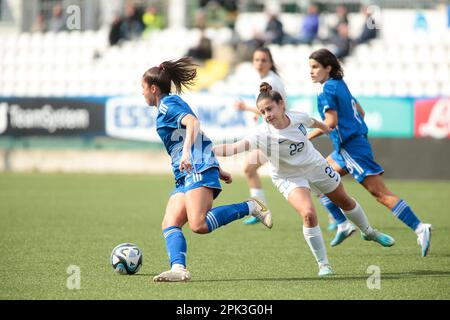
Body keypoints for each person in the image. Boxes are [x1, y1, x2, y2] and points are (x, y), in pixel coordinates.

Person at [214, 83, 395, 276]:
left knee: (344, 201)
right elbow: (234, 148)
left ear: (281, 104)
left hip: (315, 165)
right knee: (308, 214)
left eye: (269, 108)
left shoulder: (298, 117)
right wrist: (207, 150)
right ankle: (323, 264)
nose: (266, 115)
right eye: (262, 111)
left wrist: (326, 128)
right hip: (288, 176)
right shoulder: (261, 134)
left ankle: (368, 232)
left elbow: (314, 123)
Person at [141, 57, 273, 282]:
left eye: (142, 89)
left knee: (198, 224)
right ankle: (179, 269)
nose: (142, 93)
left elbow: (193, 123)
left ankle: (251, 206)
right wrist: (216, 166)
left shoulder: (167, 105)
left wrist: (186, 153)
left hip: (194, 166)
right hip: (189, 170)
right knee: (170, 222)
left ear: (153, 88)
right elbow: (198, 136)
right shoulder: (168, 103)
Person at [307, 48, 432, 256]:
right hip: (349, 146)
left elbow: (330, 122)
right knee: (316, 177)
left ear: (328, 68)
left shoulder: (327, 90)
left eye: (315, 67)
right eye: (309, 67)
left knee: (380, 194)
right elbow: (361, 112)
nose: (310, 72)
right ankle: (343, 224)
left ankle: (420, 228)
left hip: (351, 149)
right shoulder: (339, 84)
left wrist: (306, 136)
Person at [234, 47, 286, 225]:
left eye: (263, 60)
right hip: (273, 134)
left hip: (277, 135)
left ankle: (339, 218)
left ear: (270, 63)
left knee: (302, 177)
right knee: (249, 168)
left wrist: (246, 107)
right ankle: (260, 210)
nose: (259, 63)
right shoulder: (267, 80)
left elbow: (274, 106)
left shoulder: (270, 81)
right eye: (256, 60)